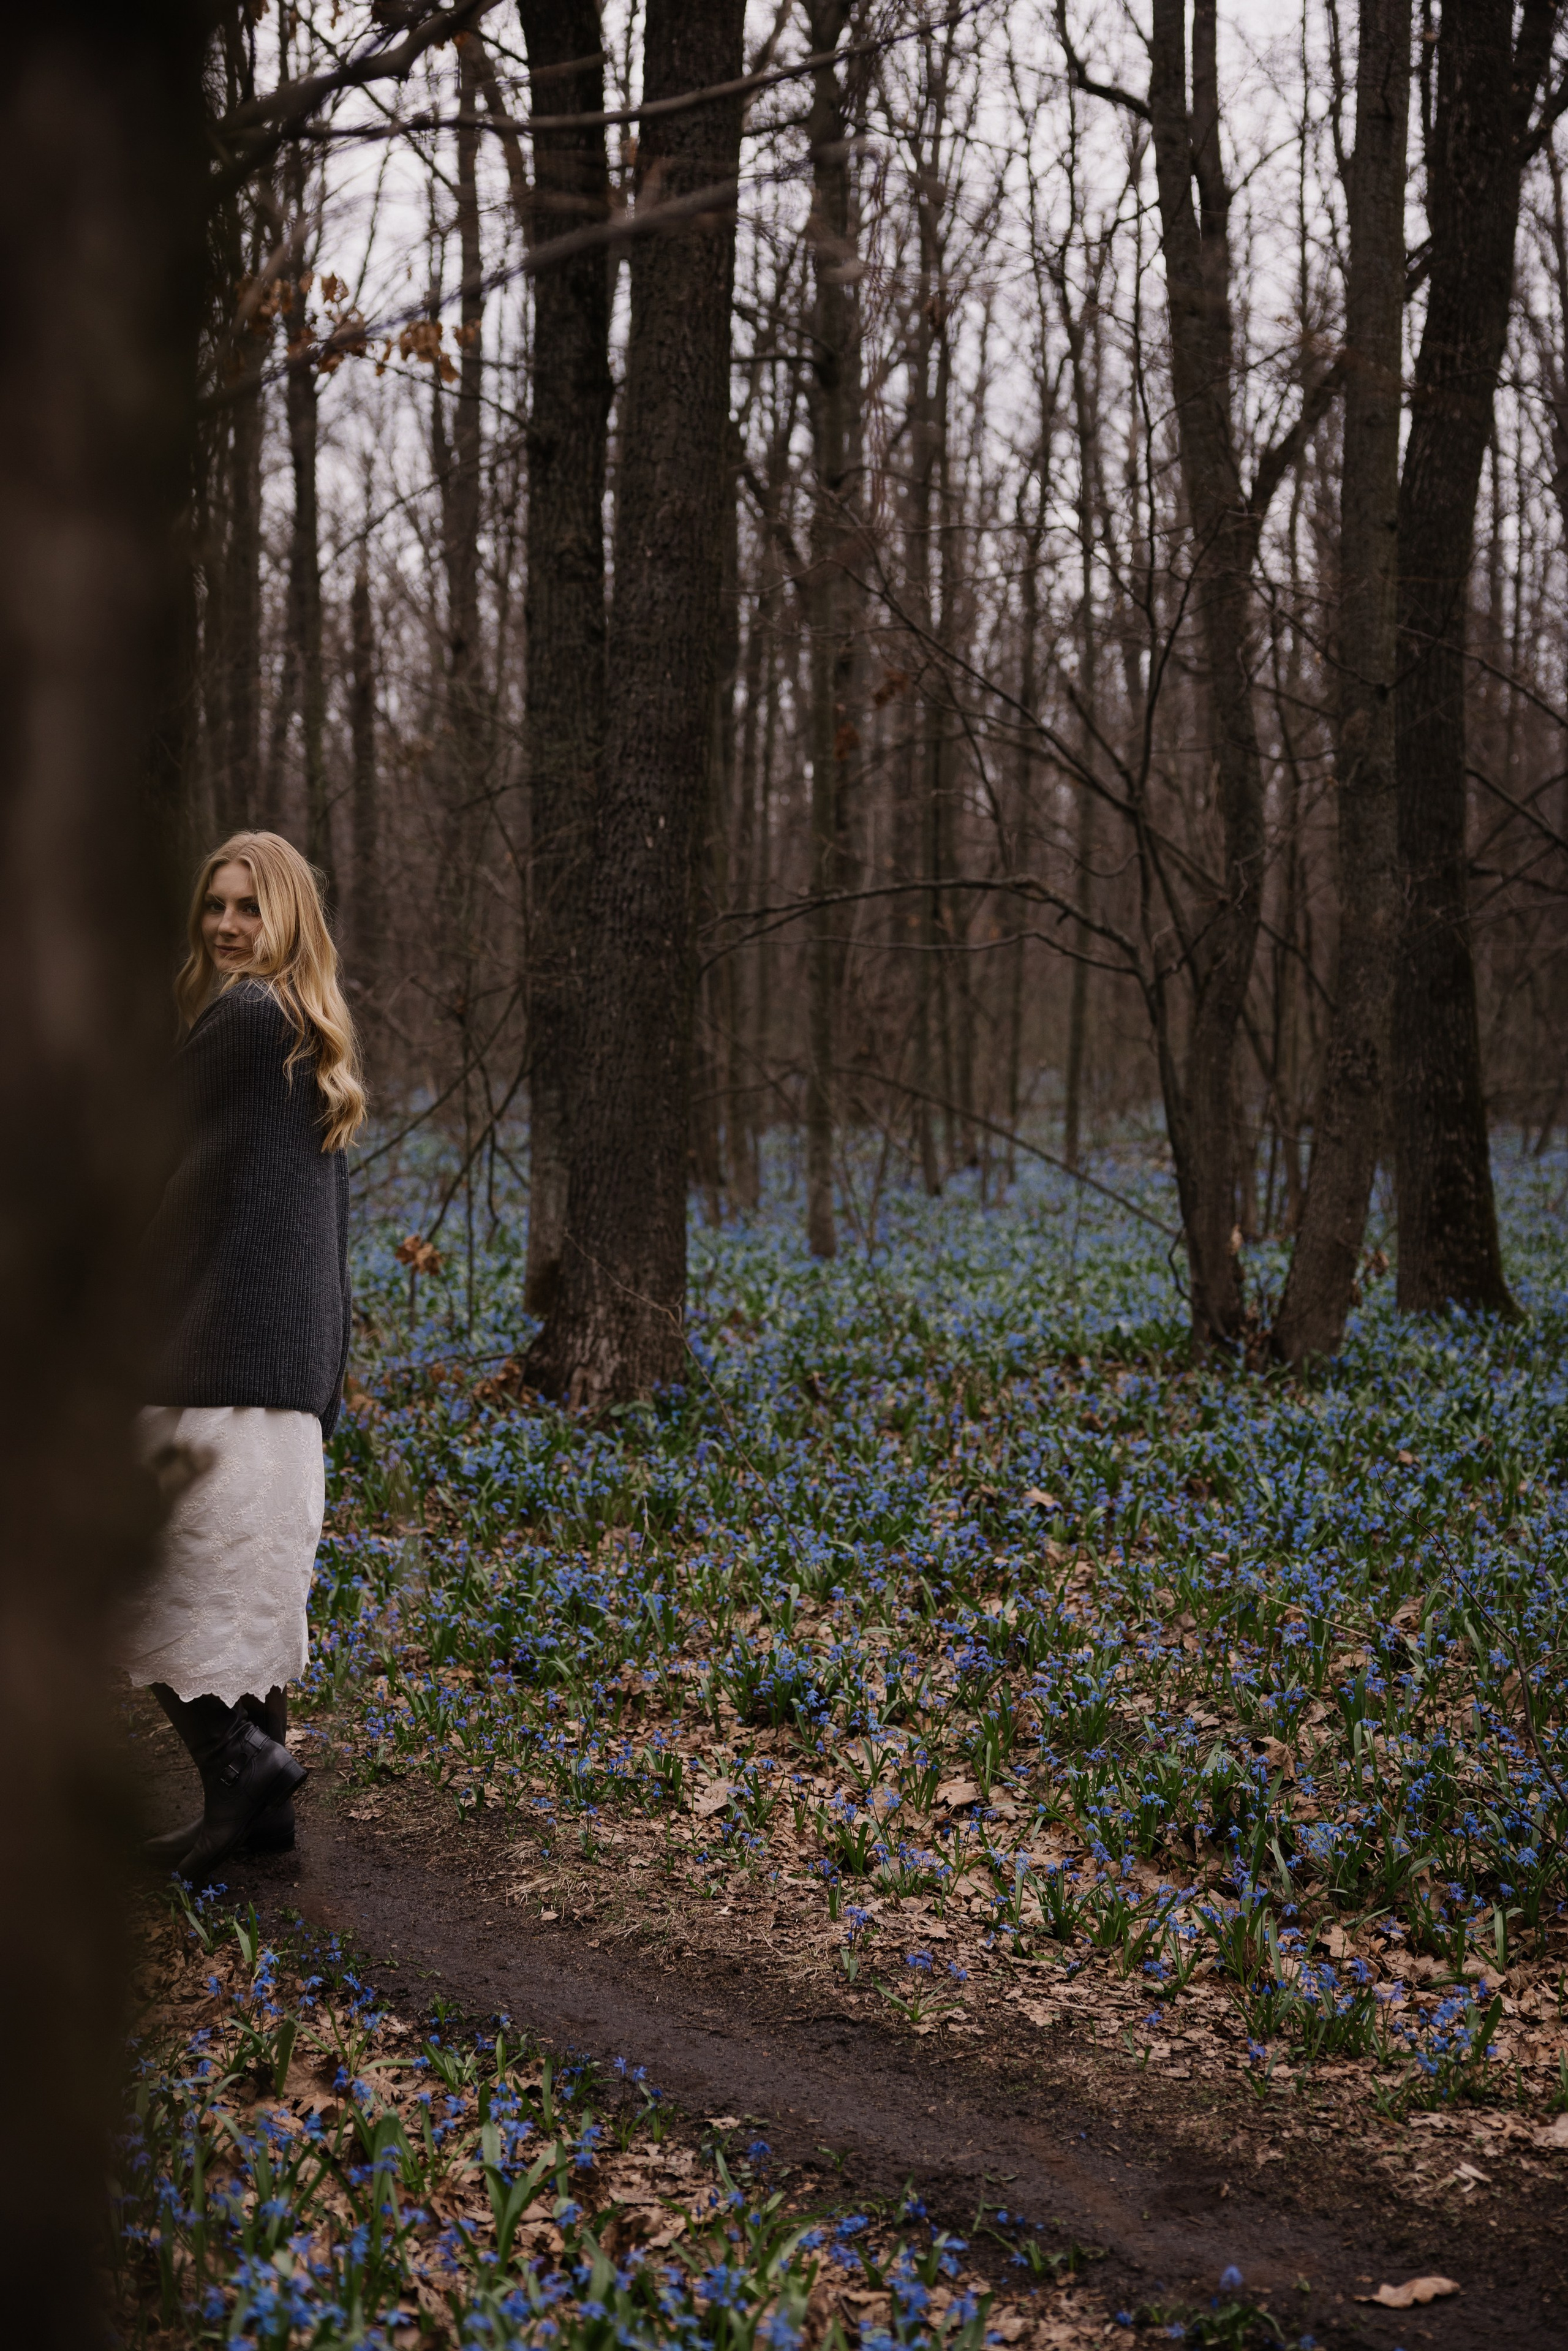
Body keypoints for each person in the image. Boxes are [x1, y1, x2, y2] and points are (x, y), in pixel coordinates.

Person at [127, 831, 364, 1882]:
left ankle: (240, 1769)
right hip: (285, 1383)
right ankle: (260, 1818)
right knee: (246, 1607)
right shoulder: (315, 1036)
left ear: (289, 920)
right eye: (214, 905)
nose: (225, 925)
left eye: (247, 908)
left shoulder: (241, 1020)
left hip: (217, 1368)